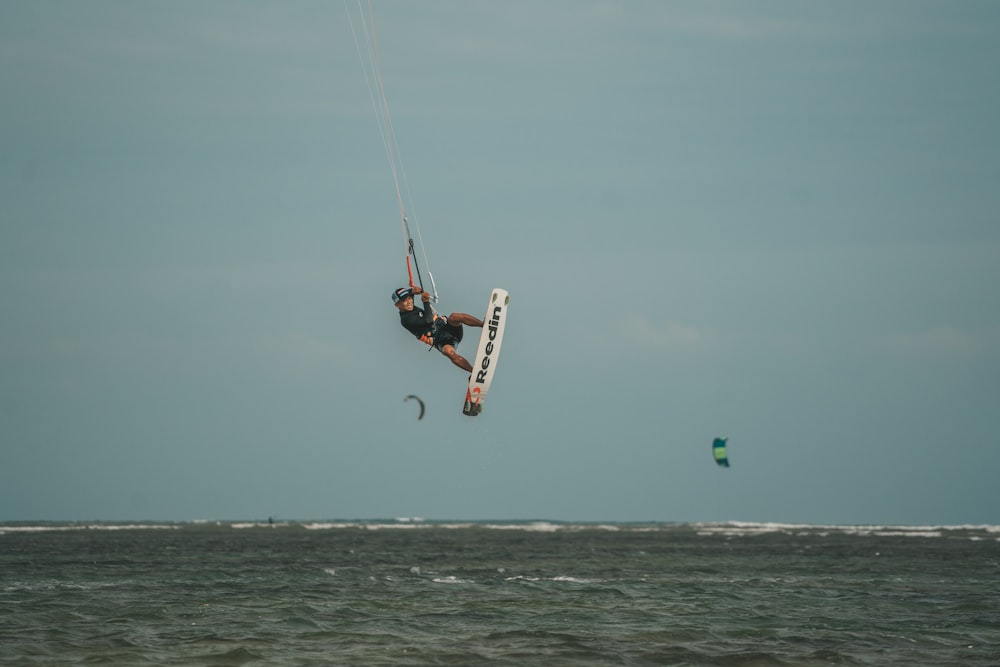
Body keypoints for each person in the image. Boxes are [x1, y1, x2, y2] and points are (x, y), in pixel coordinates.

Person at [392, 286, 483, 373]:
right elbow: (429, 320)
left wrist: (413, 291)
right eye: (404, 301)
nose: (409, 302)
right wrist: (425, 301)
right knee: (448, 352)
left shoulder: (407, 303)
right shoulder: (406, 320)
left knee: (454, 316)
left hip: (448, 328)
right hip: (440, 341)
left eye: (409, 298)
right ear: (397, 305)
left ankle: (483, 324)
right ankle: (473, 372)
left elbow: (410, 293)